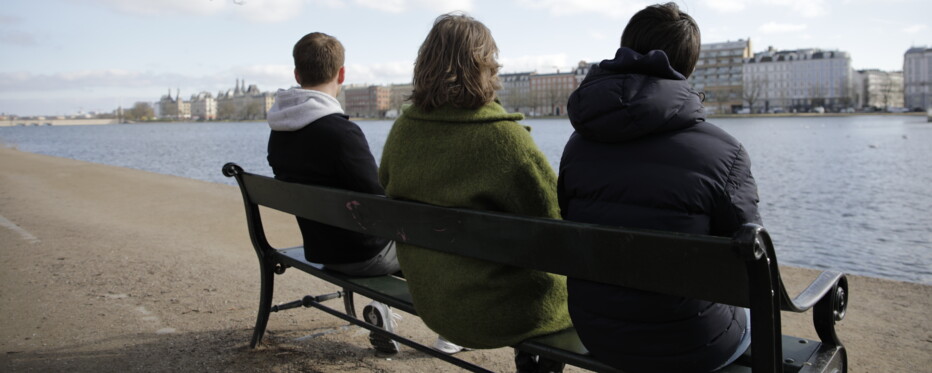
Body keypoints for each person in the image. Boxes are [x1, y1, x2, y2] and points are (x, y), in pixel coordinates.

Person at [557, 3, 761, 373]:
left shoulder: (577, 144)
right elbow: (750, 263)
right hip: (694, 343)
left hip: (598, 331)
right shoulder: (724, 151)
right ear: (689, 64)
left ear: (626, 48)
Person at [379, 13, 572, 372]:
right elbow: (555, 220)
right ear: (485, 65)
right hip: (497, 310)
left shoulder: (404, 131)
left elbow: (385, 184)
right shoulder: (503, 139)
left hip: (435, 300)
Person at [266, 32, 402, 355]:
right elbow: (378, 200)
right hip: (365, 257)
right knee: (435, 241)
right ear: (342, 74)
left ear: (297, 75)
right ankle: (450, 330)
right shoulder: (342, 134)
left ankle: (382, 310)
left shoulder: (279, 134)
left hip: (321, 250)